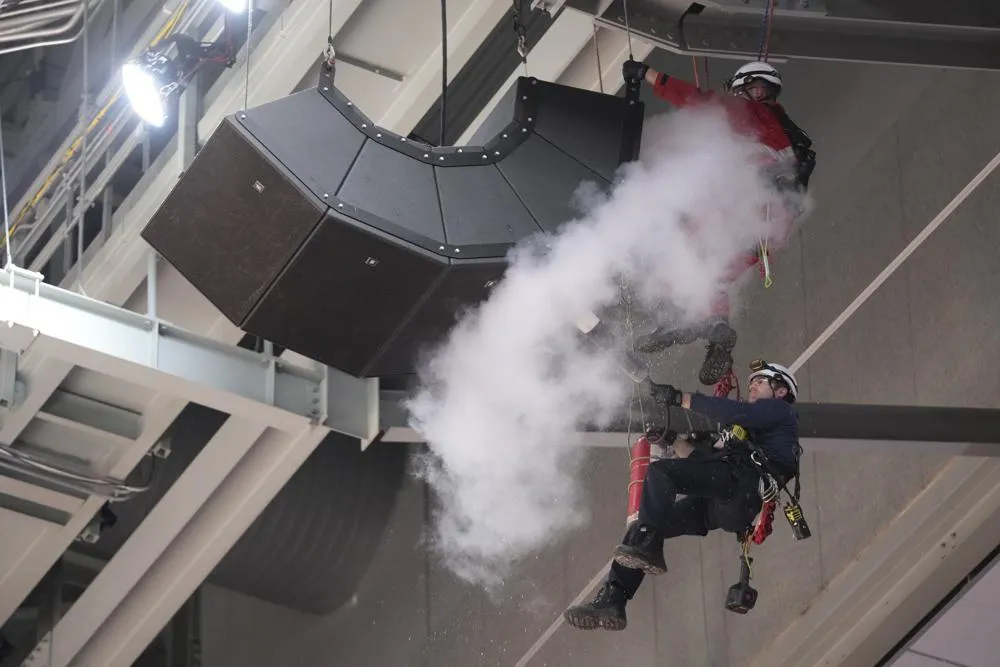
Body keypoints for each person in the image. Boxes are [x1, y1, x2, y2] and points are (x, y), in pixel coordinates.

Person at [564, 360, 801, 631]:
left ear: (780, 391)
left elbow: (734, 413)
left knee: (660, 475)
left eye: (759, 382)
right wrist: (672, 441)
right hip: (724, 502)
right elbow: (701, 464)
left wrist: (681, 398)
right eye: (751, 384)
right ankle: (614, 599)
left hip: (740, 486)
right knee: (644, 527)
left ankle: (647, 546)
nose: (752, 387)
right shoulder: (748, 436)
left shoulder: (780, 412)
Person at [621, 59, 817, 387]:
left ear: (745, 87)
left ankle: (679, 315)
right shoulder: (789, 137)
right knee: (713, 275)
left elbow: (693, 99)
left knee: (678, 244)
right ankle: (712, 323)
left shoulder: (746, 112)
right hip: (770, 228)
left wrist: (646, 73)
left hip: (743, 205)